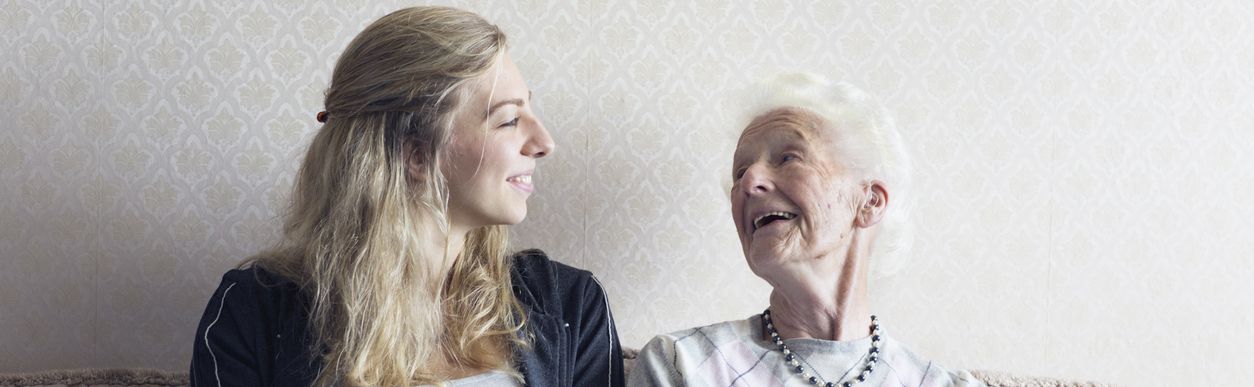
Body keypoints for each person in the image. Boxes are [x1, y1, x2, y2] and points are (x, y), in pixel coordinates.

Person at [189, 7, 623, 386]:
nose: (544, 143)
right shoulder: (252, 313)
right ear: (415, 153)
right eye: (508, 120)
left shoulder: (572, 306)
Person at [628, 73, 984, 387]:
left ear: (870, 201)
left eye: (788, 157)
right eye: (740, 172)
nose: (749, 182)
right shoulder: (684, 365)